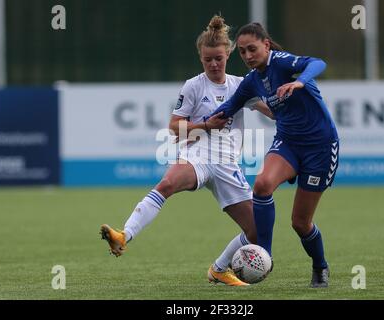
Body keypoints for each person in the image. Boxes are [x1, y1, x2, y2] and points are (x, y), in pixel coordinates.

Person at [100, 15, 273, 287]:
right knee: (167, 183)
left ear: (227, 54)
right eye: (208, 60)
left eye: (218, 58)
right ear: (201, 59)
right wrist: (205, 124)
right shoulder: (194, 86)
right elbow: (174, 128)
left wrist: (288, 94)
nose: (214, 64)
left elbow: (271, 111)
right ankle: (124, 235)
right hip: (199, 155)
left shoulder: (241, 85)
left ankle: (219, 269)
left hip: (228, 162)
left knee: (256, 231)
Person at [208, 22, 339, 288]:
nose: (247, 56)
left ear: (266, 45)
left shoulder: (281, 62)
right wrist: (199, 123)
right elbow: (229, 107)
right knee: (263, 184)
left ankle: (320, 267)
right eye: (242, 52)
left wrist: (301, 81)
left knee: (300, 223)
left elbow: (318, 63)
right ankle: (263, 255)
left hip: (320, 147)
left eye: (252, 49)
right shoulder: (252, 81)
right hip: (288, 142)